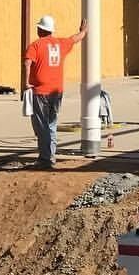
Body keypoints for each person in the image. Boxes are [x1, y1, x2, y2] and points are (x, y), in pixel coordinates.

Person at [23, 14, 88, 169]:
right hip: (57, 92)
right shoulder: (60, 44)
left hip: (41, 92)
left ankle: (45, 159)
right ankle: (50, 156)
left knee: (41, 125)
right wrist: (83, 31)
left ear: (40, 29)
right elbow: (75, 38)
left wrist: (26, 82)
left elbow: (27, 63)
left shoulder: (35, 45)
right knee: (51, 124)